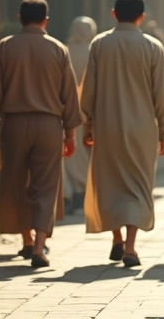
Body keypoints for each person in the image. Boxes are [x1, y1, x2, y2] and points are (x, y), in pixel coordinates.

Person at [0, 0, 82, 268]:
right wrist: (70, 133)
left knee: (15, 183)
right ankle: (39, 246)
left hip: (14, 123)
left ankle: (25, 240)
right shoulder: (58, 49)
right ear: (46, 20)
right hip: (49, 125)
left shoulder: (5, 47)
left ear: (19, 18)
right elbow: (69, 95)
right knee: (45, 186)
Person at [80, 0, 164, 268]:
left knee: (110, 183)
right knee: (138, 185)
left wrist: (87, 123)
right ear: (142, 17)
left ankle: (117, 239)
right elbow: (162, 95)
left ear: (113, 14)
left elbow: (89, 91)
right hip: (142, 128)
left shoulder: (100, 44)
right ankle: (131, 248)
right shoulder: (153, 47)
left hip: (107, 126)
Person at [62, 16, 97, 215]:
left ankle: (69, 194)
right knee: (85, 156)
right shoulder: (94, 52)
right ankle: (83, 192)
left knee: (66, 156)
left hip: (65, 111)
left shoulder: (64, 50)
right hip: (88, 112)